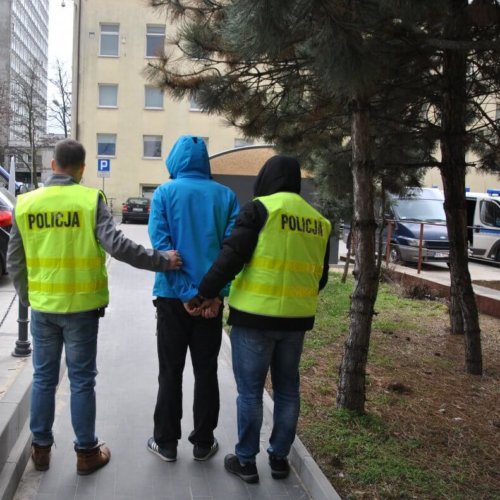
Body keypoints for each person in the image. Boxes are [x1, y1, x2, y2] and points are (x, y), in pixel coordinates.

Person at [7, 138, 182, 476]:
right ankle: (86, 453)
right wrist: (162, 260)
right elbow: (117, 245)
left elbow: (15, 261)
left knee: (43, 378)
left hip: (43, 310)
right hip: (83, 311)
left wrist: (29, 298)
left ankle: (40, 451)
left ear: (52, 166)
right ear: (83, 169)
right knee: (82, 380)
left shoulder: (25, 204)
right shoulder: (90, 200)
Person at [190, 155, 331, 483]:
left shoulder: (258, 209)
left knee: (251, 391)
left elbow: (231, 256)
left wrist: (205, 291)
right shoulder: (318, 221)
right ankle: (280, 459)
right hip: (296, 321)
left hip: (254, 318)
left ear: (266, 178)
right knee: (287, 389)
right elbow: (319, 279)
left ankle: (246, 462)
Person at [147, 135, 239, 463]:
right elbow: (233, 251)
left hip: (172, 298)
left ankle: (166, 443)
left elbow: (161, 246)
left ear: (174, 159)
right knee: (206, 371)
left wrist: (186, 294)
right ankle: (203, 443)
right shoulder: (227, 196)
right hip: (211, 304)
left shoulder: (164, 193)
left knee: (170, 371)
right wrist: (213, 295)